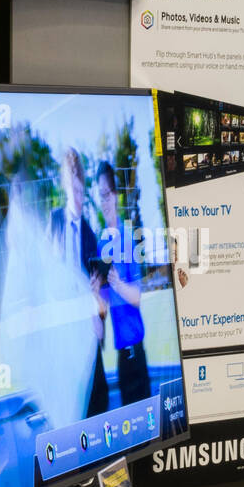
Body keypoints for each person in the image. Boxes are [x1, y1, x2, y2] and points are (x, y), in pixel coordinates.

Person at [49, 149, 110, 417]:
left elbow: (100, 299)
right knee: (71, 409)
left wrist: (97, 305)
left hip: (87, 333)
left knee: (98, 400)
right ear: (65, 186)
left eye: (81, 189)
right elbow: (47, 281)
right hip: (63, 336)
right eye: (72, 188)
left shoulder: (90, 236)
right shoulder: (52, 224)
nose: (78, 195)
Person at [95, 162, 150, 405]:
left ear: (116, 195)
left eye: (107, 194)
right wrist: (97, 293)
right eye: (100, 196)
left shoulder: (129, 239)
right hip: (120, 356)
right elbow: (103, 310)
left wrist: (116, 283)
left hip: (137, 353)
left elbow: (138, 298)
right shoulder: (101, 245)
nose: (104, 201)